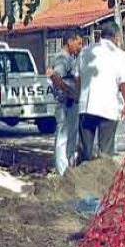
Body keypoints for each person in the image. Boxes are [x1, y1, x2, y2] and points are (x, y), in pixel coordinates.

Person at [74, 22, 125, 162]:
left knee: (85, 150)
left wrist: (80, 95)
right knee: (105, 152)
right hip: (108, 107)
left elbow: (77, 77)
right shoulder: (120, 55)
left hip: (86, 106)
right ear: (116, 37)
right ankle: (104, 181)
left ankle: (82, 178)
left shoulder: (85, 52)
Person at [48, 33, 83, 175]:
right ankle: (62, 171)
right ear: (69, 41)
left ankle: (68, 168)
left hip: (71, 102)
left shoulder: (71, 58)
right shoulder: (62, 58)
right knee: (63, 137)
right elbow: (55, 77)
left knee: (71, 136)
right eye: (78, 43)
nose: (80, 47)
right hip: (65, 103)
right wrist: (70, 92)